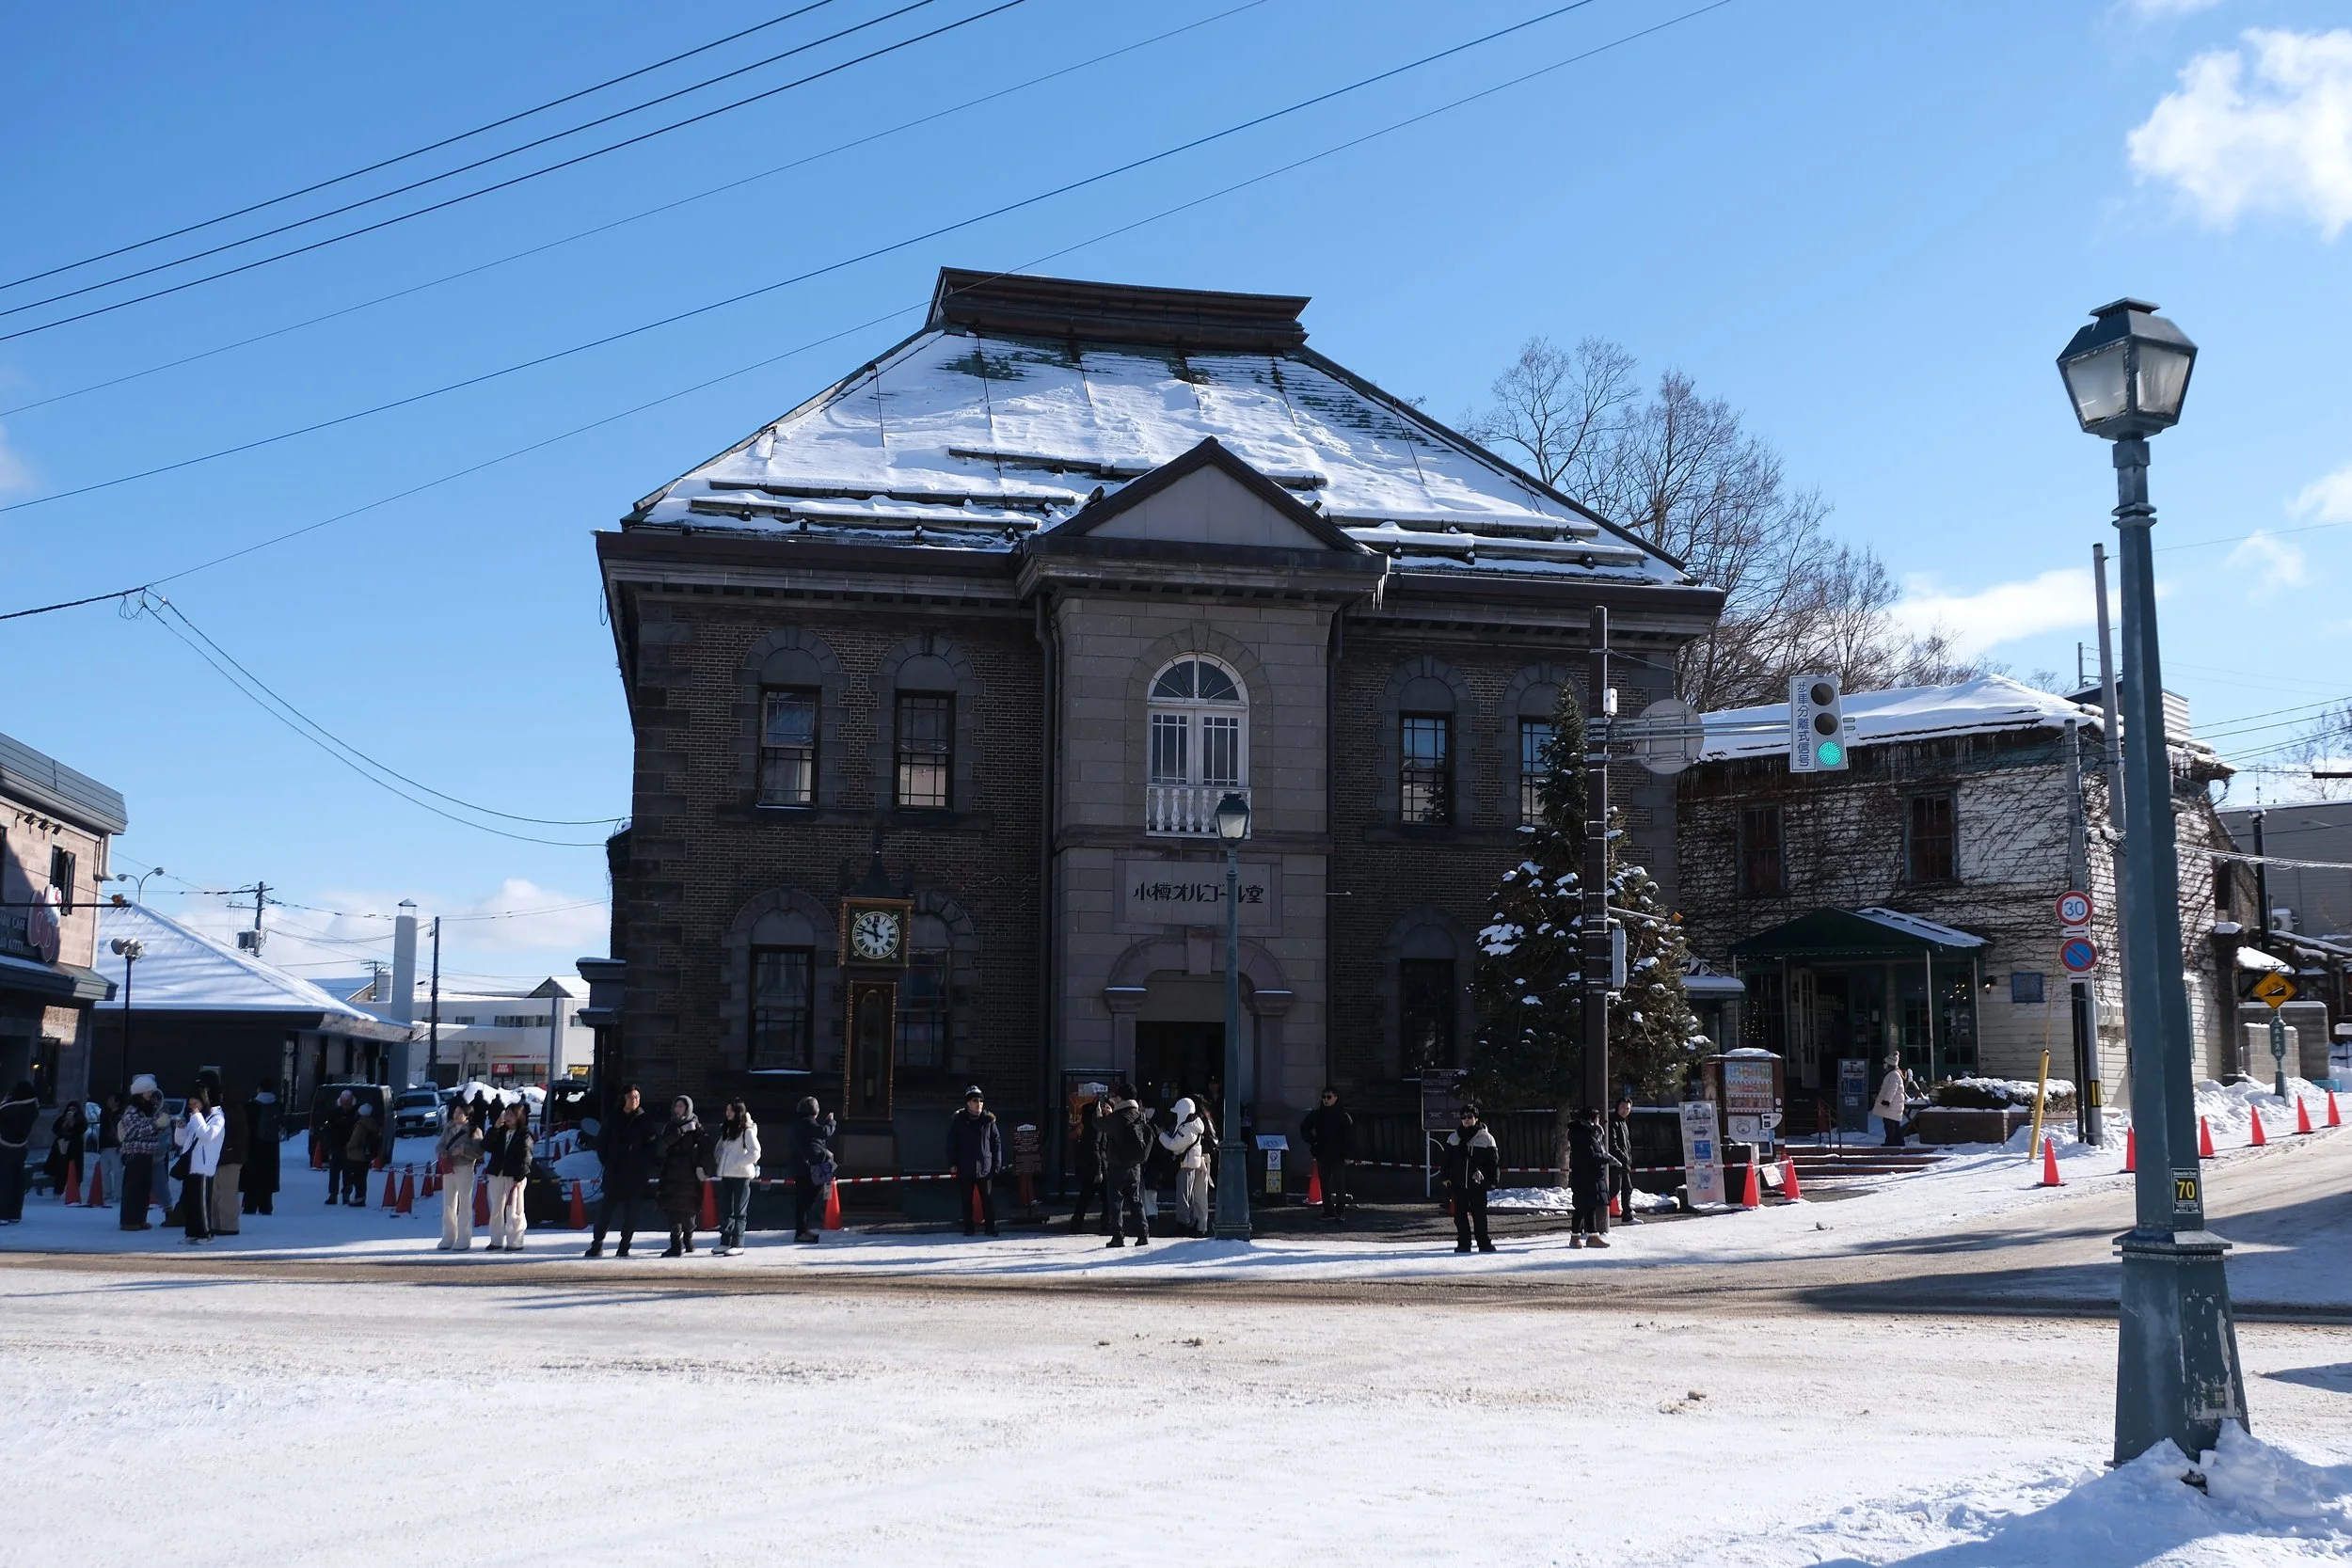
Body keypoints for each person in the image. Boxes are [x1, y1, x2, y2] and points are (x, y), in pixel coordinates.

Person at [586, 1084, 653, 1259]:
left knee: (631, 1213)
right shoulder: (613, 1118)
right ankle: (597, 1244)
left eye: (638, 1097)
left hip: (634, 1175)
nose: (635, 1100)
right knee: (605, 1211)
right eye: (632, 1097)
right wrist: (607, 1161)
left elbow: (651, 1145)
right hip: (614, 1173)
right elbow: (602, 1142)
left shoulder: (644, 1120)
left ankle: (624, 1245)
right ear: (624, 1098)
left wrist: (642, 1164)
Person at [1098, 1082, 1152, 1249]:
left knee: (1115, 1201)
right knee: (1135, 1200)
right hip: (1135, 1165)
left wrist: (1100, 1115)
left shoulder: (1117, 1117)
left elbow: (1099, 1125)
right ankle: (1143, 1235)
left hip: (1117, 1165)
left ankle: (1118, 1237)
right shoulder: (1139, 1115)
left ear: (1121, 1097)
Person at [1441, 1102, 1500, 1255]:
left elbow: (1493, 1162)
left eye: (1470, 1117)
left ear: (1476, 1118)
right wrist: (1445, 1177)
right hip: (1458, 1183)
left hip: (1477, 1184)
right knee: (1460, 1217)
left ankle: (1484, 1243)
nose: (1466, 1120)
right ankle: (1463, 1243)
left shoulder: (1487, 1138)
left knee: (1480, 1215)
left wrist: (1492, 1180)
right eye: (1463, 1117)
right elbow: (1445, 1160)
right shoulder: (1453, 1138)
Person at [947, 1086, 1004, 1239]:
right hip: (965, 1165)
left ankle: (990, 1228)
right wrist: (952, 1163)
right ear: (968, 1103)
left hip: (985, 1166)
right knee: (967, 1199)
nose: (978, 1104)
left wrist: (997, 1163)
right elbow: (952, 1143)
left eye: (981, 1101)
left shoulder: (988, 1120)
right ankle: (968, 1227)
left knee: (988, 1198)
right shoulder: (959, 1120)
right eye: (975, 1100)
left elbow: (996, 1143)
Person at [173, 1084, 226, 1244]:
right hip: (191, 1165)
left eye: (195, 1103)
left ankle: (206, 1234)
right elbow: (181, 1141)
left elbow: (207, 1135)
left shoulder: (218, 1118)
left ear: (204, 1102)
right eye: (190, 1105)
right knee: (190, 1202)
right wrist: (181, 1128)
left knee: (202, 1202)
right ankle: (192, 1232)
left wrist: (196, 1118)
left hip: (203, 1166)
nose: (193, 1107)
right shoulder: (196, 1120)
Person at [656, 1096, 707, 1257]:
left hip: (690, 1174)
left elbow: (705, 1145)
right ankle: (675, 1243)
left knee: (689, 1209)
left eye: (682, 1106)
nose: (678, 1109)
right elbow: (665, 1142)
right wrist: (682, 1130)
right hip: (672, 1173)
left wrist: (702, 1166)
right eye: (676, 1106)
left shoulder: (696, 1125)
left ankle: (688, 1239)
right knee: (673, 1209)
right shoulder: (671, 1125)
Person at [782, 1096, 835, 1243]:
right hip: (809, 1168)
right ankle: (802, 1231)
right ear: (814, 1111)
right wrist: (831, 1121)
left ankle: (802, 1230)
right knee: (806, 1201)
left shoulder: (796, 1124)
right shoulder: (808, 1123)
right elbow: (824, 1132)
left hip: (799, 1167)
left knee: (802, 1200)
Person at [482, 1101, 533, 1252]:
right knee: (496, 1208)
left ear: (519, 1117)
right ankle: (495, 1240)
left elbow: (526, 1157)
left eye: (512, 1114)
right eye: (507, 1113)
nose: (508, 1116)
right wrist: (495, 1128)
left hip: (514, 1176)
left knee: (514, 1210)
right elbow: (486, 1146)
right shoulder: (500, 1131)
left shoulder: (524, 1134)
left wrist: (519, 1177)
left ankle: (515, 1241)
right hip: (497, 1173)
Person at [711, 1100, 760, 1256]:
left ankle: (738, 1242)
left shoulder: (747, 1131)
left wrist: (739, 1163)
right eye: (727, 1110)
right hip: (726, 1175)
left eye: (731, 1110)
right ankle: (725, 1241)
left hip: (741, 1176)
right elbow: (720, 1149)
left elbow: (756, 1152)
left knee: (739, 1210)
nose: (728, 1113)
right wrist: (719, 1159)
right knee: (727, 1210)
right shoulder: (726, 1129)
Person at [1158, 1097, 1212, 1237]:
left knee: (1183, 1198)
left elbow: (1174, 1145)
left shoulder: (1188, 1128)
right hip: (1189, 1164)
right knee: (1189, 1197)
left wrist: (1161, 1135)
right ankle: (1190, 1223)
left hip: (1186, 1165)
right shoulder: (1193, 1125)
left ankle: (1184, 1225)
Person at [1566, 1105, 1619, 1248]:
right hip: (1586, 1175)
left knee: (1590, 1206)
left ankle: (1592, 1235)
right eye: (1597, 1117)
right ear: (1592, 1118)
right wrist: (1606, 1158)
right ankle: (1575, 1236)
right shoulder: (1585, 1133)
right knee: (1582, 1207)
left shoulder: (1583, 1132)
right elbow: (1591, 1155)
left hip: (1587, 1175)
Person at [1299, 1087, 1354, 1223]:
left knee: (1339, 1182)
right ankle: (1328, 1210)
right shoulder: (1317, 1114)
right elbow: (1304, 1128)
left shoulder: (1343, 1116)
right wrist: (1313, 1142)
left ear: (1336, 1097)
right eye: (1324, 1097)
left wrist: (1348, 1154)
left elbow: (1349, 1137)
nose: (1325, 1100)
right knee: (1324, 1184)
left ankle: (1340, 1210)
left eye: (1329, 1097)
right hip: (1322, 1153)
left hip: (1338, 1154)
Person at [436, 1100, 485, 1250]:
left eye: (460, 1113)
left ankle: (464, 1238)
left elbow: (479, 1151)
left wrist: (463, 1150)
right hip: (449, 1167)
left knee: (464, 1203)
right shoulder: (448, 1128)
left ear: (467, 1116)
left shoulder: (473, 1130)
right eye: (455, 1112)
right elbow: (440, 1144)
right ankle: (448, 1236)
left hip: (464, 1167)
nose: (456, 1115)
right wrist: (442, 1152)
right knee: (448, 1203)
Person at [118, 1080, 161, 1231]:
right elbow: (133, 1131)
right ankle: (129, 1220)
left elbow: (151, 1127)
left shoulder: (149, 1109)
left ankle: (140, 1218)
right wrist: (155, 1125)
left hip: (147, 1153)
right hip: (134, 1153)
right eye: (148, 1092)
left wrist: (161, 1124)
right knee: (133, 1188)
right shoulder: (131, 1110)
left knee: (143, 1188)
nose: (151, 1095)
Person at [209, 1079, 247, 1236]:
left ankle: (226, 1225)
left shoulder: (231, 1112)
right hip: (229, 1155)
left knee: (225, 1192)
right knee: (223, 1192)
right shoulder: (236, 1110)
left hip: (229, 1156)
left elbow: (236, 1135)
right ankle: (222, 1225)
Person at [241, 1078, 280, 1216]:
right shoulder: (278, 1106)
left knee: (252, 1177)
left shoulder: (250, 1106)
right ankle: (266, 1205)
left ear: (259, 1089)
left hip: (253, 1146)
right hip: (271, 1147)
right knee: (267, 1177)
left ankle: (249, 1205)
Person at [0, 1081, 37, 1223]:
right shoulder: (33, 1108)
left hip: (4, 1147)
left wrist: (5, 1101)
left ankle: (2, 1213)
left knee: (4, 1181)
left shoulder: (10, 1109)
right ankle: (14, 1213)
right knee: (17, 1180)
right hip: (21, 1147)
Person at [1067, 1091, 1104, 1232]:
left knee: (1085, 1196)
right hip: (1095, 1167)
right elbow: (1096, 1148)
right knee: (1105, 1197)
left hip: (1087, 1166)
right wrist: (1099, 1169)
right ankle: (1106, 1223)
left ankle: (1076, 1222)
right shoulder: (1096, 1127)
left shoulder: (1086, 1126)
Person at [43, 1096, 87, 1197]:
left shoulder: (80, 1119)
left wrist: (73, 1124)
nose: (71, 1111)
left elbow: (81, 1129)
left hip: (74, 1148)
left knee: (74, 1169)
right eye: (70, 1109)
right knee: (60, 1169)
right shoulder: (62, 1119)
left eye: (73, 1110)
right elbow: (55, 1128)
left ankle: (73, 1191)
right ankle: (58, 1190)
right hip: (62, 1147)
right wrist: (64, 1125)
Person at [1607, 1098, 1640, 1227]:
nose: (1625, 1111)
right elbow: (1612, 1144)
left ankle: (1627, 1215)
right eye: (1623, 1107)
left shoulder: (1623, 1122)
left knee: (1627, 1188)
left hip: (1623, 1162)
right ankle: (1594, 1211)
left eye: (1627, 1109)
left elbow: (1626, 1144)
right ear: (1617, 1107)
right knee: (1615, 1189)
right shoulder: (1613, 1122)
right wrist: (1623, 1157)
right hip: (1617, 1163)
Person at [322, 1090, 358, 1207]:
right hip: (337, 1146)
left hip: (348, 1146)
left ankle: (345, 1194)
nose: (345, 1104)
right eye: (344, 1102)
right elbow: (328, 1130)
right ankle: (334, 1194)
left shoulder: (355, 1114)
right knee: (335, 1171)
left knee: (347, 1172)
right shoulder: (336, 1114)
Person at [342, 1104, 382, 1205]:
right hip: (366, 1155)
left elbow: (354, 1140)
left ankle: (358, 1197)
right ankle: (361, 1197)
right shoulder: (372, 1123)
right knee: (362, 1178)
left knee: (356, 1178)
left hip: (356, 1155)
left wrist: (347, 1147)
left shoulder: (361, 1125)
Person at [1872, 1054, 1910, 1148]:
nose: (1884, 1065)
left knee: (1889, 1123)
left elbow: (1892, 1088)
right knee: (1895, 1123)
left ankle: (1891, 1140)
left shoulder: (1893, 1074)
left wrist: (1887, 1100)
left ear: (1890, 1064)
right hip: (1895, 1103)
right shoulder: (1895, 1074)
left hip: (1892, 1104)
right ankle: (1898, 1140)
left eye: (1886, 1063)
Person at [96, 1091, 124, 1209]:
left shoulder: (121, 1114)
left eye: (111, 1099)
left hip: (116, 1146)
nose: (109, 1101)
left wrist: (121, 1145)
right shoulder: (104, 1113)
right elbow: (101, 1131)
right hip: (105, 1145)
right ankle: (106, 1192)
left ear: (117, 1101)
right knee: (104, 1171)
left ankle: (118, 1194)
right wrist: (100, 1146)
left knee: (117, 1171)